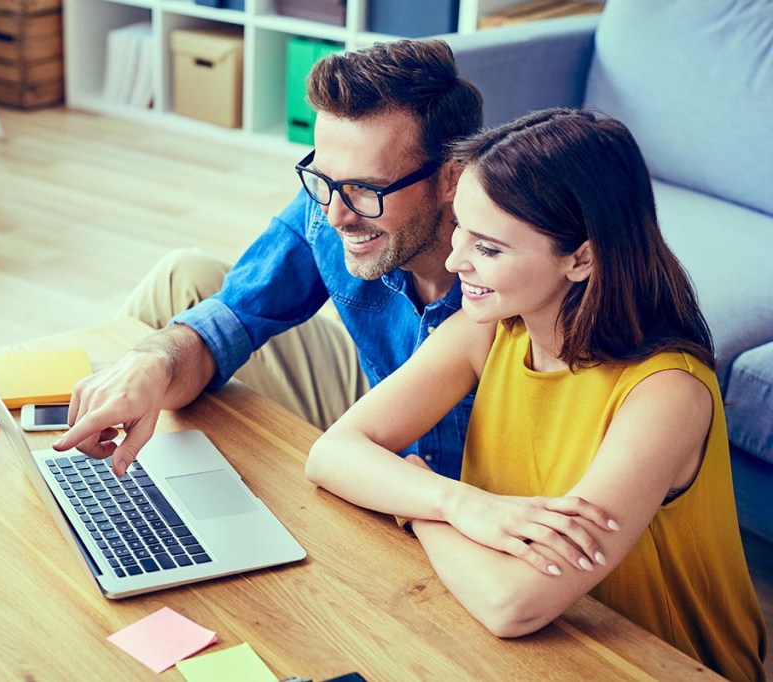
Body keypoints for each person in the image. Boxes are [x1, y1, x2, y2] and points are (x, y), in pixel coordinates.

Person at [305, 108, 767, 681]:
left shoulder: (666, 394)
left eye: (490, 249)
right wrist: (458, 503)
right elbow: (332, 453)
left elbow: (514, 604)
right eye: (460, 233)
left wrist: (416, 503)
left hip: (646, 660)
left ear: (581, 257)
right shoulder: (492, 329)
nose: (454, 261)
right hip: (533, 641)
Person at [55, 39, 486, 479]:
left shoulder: (514, 267)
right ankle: (108, 457)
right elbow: (235, 314)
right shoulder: (331, 207)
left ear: (451, 177)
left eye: (367, 190)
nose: (336, 215)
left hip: (473, 479)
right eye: (323, 180)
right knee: (185, 278)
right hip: (374, 396)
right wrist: (152, 364)